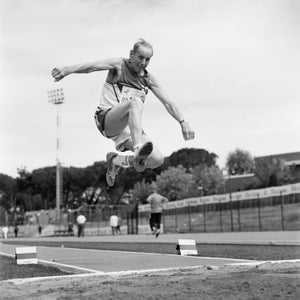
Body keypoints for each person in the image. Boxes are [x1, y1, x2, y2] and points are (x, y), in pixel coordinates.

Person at [51, 39, 195, 187]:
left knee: (157, 160)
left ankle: (116, 161)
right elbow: (92, 66)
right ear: (131, 54)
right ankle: (138, 149)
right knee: (135, 102)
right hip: (107, 119)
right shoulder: (119, 65)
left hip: (128, 128)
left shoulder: (148, 79)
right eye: (140, 57)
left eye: (147, 59)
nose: (143, 62)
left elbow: (167, 102)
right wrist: (67, 70)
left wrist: (183, 122)